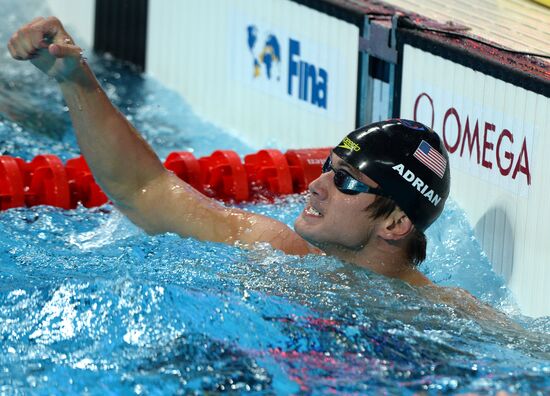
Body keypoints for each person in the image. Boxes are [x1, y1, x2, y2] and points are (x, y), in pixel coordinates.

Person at [7, 17, 449, 288]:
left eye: (346, 179)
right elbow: (142, 189)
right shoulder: (278, 250)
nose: (315, 185)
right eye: (328, 168)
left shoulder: (443, 318)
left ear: (396, 222)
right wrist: (73, 78)